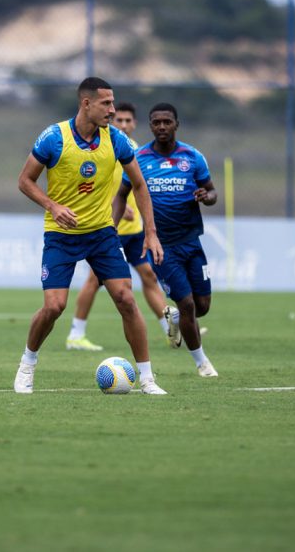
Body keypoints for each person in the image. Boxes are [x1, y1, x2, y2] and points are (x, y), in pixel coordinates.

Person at [14, 77, 168, 395]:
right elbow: (25, 181)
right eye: (106, 103)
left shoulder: (117, 141)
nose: (112, 110)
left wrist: (151, 233)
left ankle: (148, 379)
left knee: (126, 298)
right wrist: (52, 205)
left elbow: (139, 185)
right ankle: (27, 364)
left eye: (113, 103)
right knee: (54, 307)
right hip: (61, 234)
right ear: (86, 103)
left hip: (101, 233)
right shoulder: (54, 137)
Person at [113, 102, 219, 377]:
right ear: (150, 125)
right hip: (161, 246)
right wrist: (111, 229)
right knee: (187, 305)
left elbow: (211, 191)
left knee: (201, 307)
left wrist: (205, 197)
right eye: (156, 122)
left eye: (167, 122)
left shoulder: (192, 156)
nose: (162, 127)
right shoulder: (140, 157)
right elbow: (121, 193)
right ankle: (202, 363)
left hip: (192, 242)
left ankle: (176, 320)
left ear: (176, 124)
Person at [63, 102, 172, 351]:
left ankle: (169, 329)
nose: (122, 124)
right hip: (110, 227)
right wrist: (118, 206)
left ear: (134, 124)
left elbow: (137, 185)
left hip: (133, 232)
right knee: (94, 280)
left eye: (127, 121)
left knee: (148, 276)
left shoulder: (132, 148)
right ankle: (75, 334)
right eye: (118, 120)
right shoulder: (104, 143)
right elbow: (101, 182)